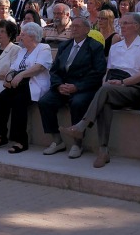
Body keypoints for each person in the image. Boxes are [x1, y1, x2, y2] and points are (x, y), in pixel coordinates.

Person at [60, 13, 140, 168]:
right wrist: (107, 83)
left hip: (133, 88)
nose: (122, 26)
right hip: (112, 86)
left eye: (126, 23)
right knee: (105, 101)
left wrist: (122, 82)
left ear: (136, 26)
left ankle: (82, 126)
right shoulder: (115, 47)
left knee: (105, 91)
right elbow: (107, 72)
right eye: (121, 23)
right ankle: (103, 152)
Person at [38, 17, 106, 158]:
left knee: (78, 103)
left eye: (78, 26)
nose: (74, 29)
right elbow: (54, 70)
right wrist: (58, 86)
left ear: (87, 30)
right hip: (63, 86)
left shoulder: (95, 47)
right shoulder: (65, 45)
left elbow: (98, 72)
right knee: (45, 102)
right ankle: (57, 141)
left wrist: (77, 87)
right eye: (73, 26)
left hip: (83, 87)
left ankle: (77, 143)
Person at [0, 22, 52, 153]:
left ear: (32, 36)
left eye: (23, 34)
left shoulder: (43, 48)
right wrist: (8, 79)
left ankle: (21, 140)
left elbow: (39, 67)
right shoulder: (23, 51)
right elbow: (13, 68)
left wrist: (21, 75)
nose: (20, 37)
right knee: (3, 97)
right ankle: (1, 135)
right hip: (18, 84)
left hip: (34, 83)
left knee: (19, 100)